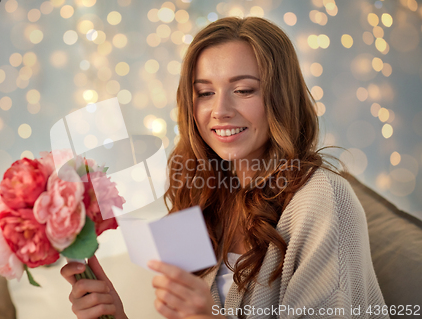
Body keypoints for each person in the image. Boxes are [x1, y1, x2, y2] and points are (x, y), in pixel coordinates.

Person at [61, 17, 388, 319]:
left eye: (243, 90)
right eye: (205, 93)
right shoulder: (194, 196)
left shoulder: (323, 199)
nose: (220, 111)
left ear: (280, 97)